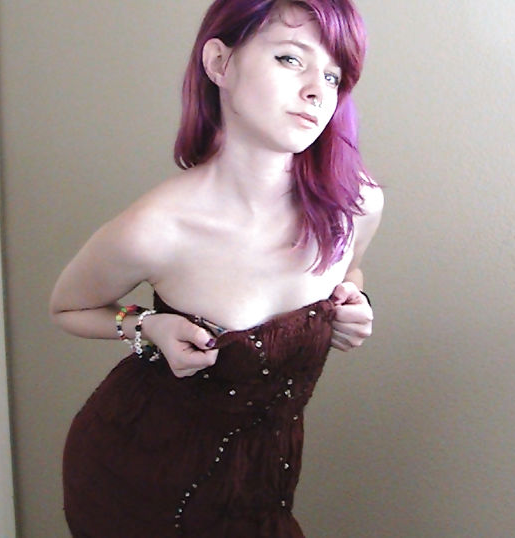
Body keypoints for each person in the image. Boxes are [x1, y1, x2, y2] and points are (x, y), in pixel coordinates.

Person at [50, 0, 383, 535]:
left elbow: (350, 275)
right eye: (290, 59)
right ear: (220, 64)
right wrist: (147, 326)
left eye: (333, 75)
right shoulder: (158, 226)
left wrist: (355, 304)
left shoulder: (356, 206)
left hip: (262, 486)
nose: (317, 91)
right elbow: (67, 307)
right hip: (134, 484)